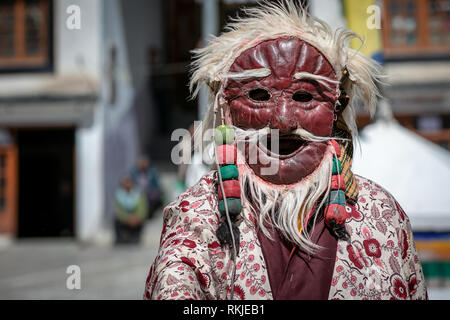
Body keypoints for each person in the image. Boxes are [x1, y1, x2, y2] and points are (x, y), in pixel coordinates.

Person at [144, 1, 427, 300]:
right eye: (259, 95)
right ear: (226, 109)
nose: (283, 121)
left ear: (337, 107)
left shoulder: (383, 217)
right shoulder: (198, 219)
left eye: (304, 97)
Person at [114, 175, 147, 244]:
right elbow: (118, 210)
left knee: (142, 221)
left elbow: (142, 208)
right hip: (125, 218)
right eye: (126, 183)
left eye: (129, 183)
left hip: (136, 217)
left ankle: (136, 237)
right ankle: (120, 238)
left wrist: (136, 217)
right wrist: (127, 218)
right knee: (116, 220)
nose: (127, 185)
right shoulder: (119, 195)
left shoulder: (138, 194)